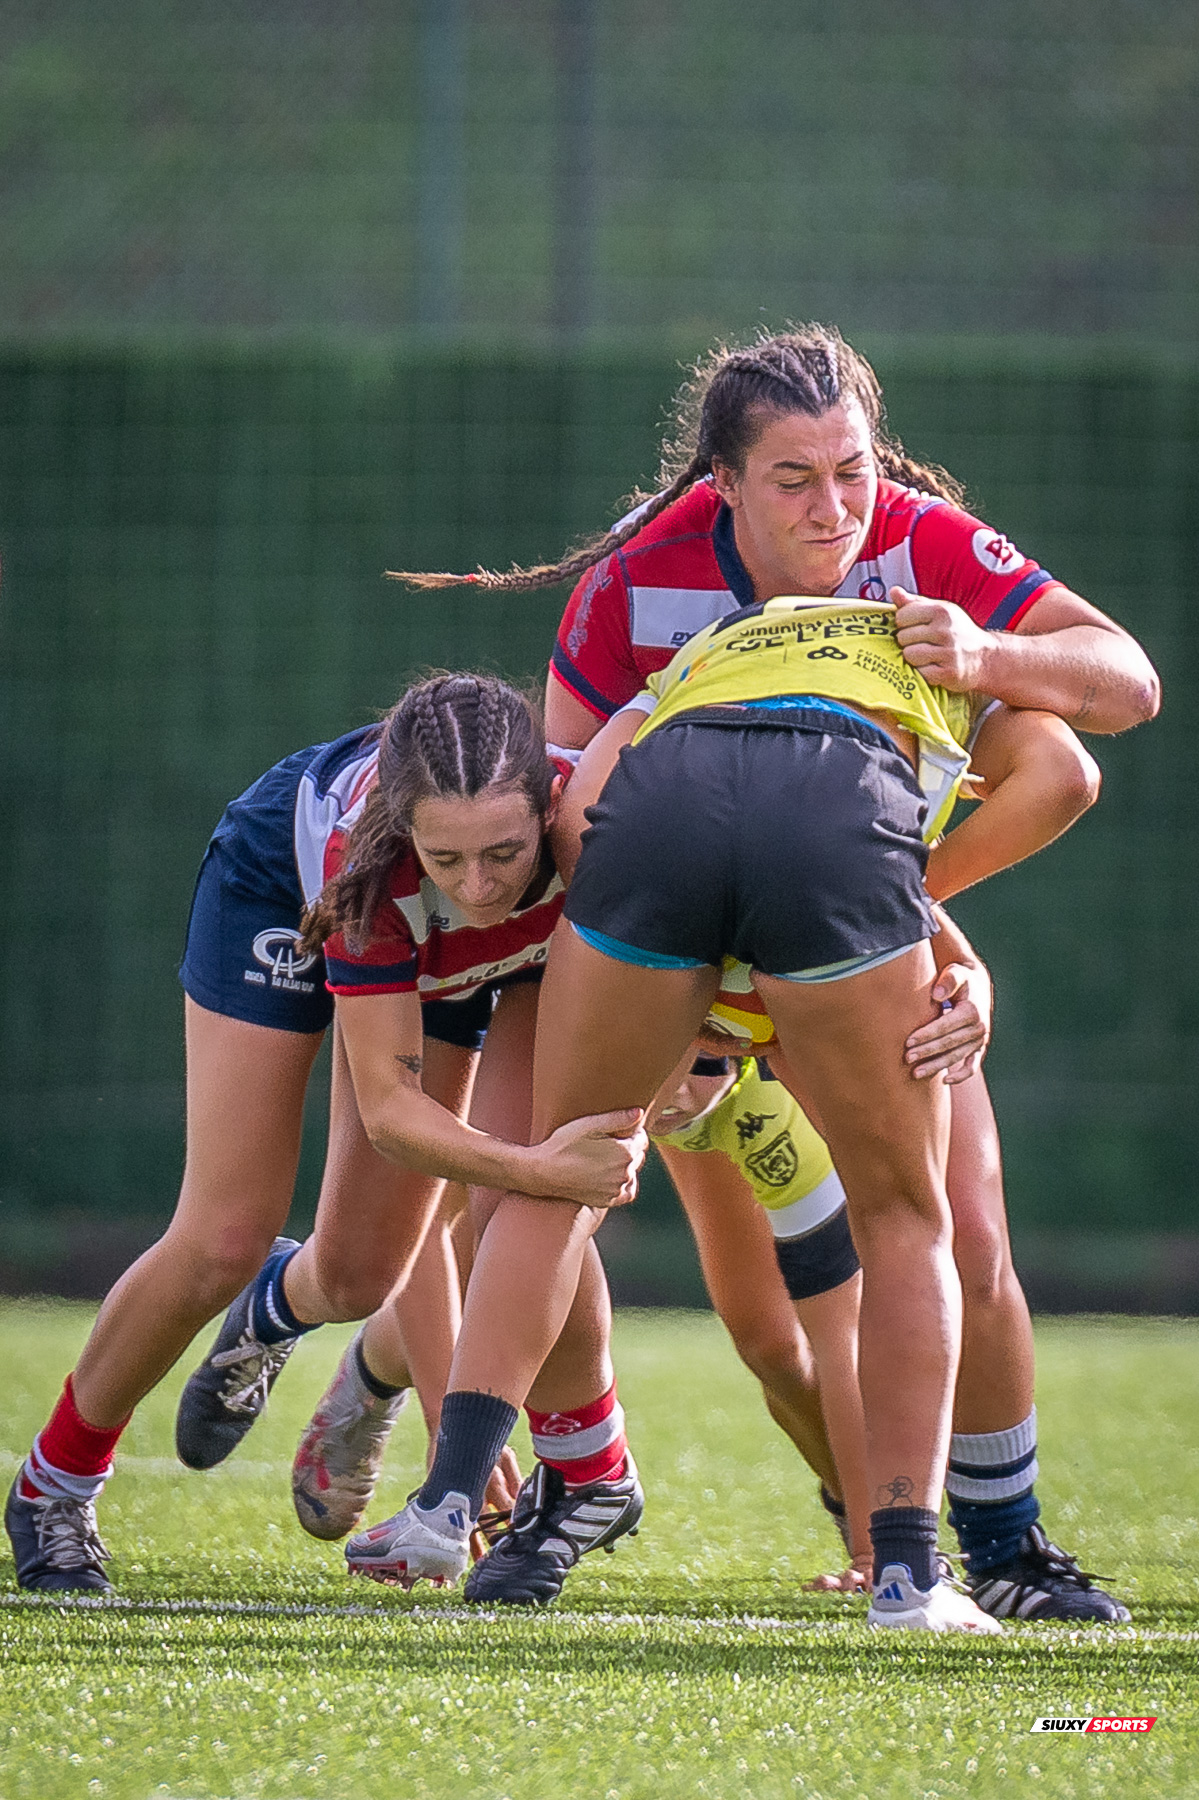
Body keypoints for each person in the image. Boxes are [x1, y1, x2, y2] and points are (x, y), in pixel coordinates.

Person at [387, 327, 1152, 1622]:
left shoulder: (922, 545)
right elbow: (564, 796)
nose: (834, 508)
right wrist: (687, 1012)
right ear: (718, 486)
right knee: (665, 1246)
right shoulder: (644, 570)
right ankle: (533, 1500)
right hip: (682, 924)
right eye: (792, 479)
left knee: (960, 1228)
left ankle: (1003, 1548)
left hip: (836, 910)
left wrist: (980, 665)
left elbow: (1111, 699)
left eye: (850, 471)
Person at [5, 674, 645, 1595]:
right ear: (407, 833)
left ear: (550, 807)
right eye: (447, 857)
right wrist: (537, 1167)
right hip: (278, 889)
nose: (477, 886)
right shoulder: (369, 866)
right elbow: (395, 1117)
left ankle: (279, 1304)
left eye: (504, 853)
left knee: (359, 1275)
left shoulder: (598, 833)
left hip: (447, 956)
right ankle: (53, 1484)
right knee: (221, 1234)